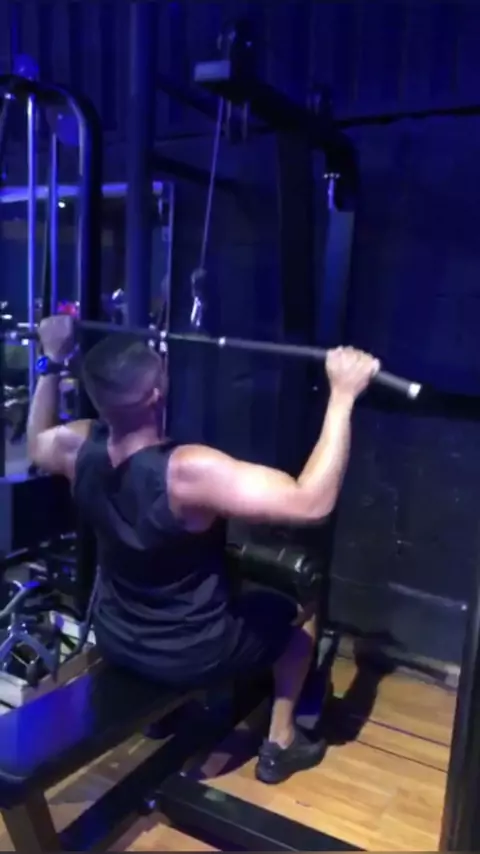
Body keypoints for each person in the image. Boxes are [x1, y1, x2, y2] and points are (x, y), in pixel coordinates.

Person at [27, 315, 379, 784]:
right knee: (302, 611)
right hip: (192, 652)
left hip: (116, 637)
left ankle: (165, 714)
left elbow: (34, 442)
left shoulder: (73, 447)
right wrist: (343, 394)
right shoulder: (187, 472)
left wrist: (52, 360)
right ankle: (281, 740)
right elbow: (312, 502)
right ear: (157, 394)